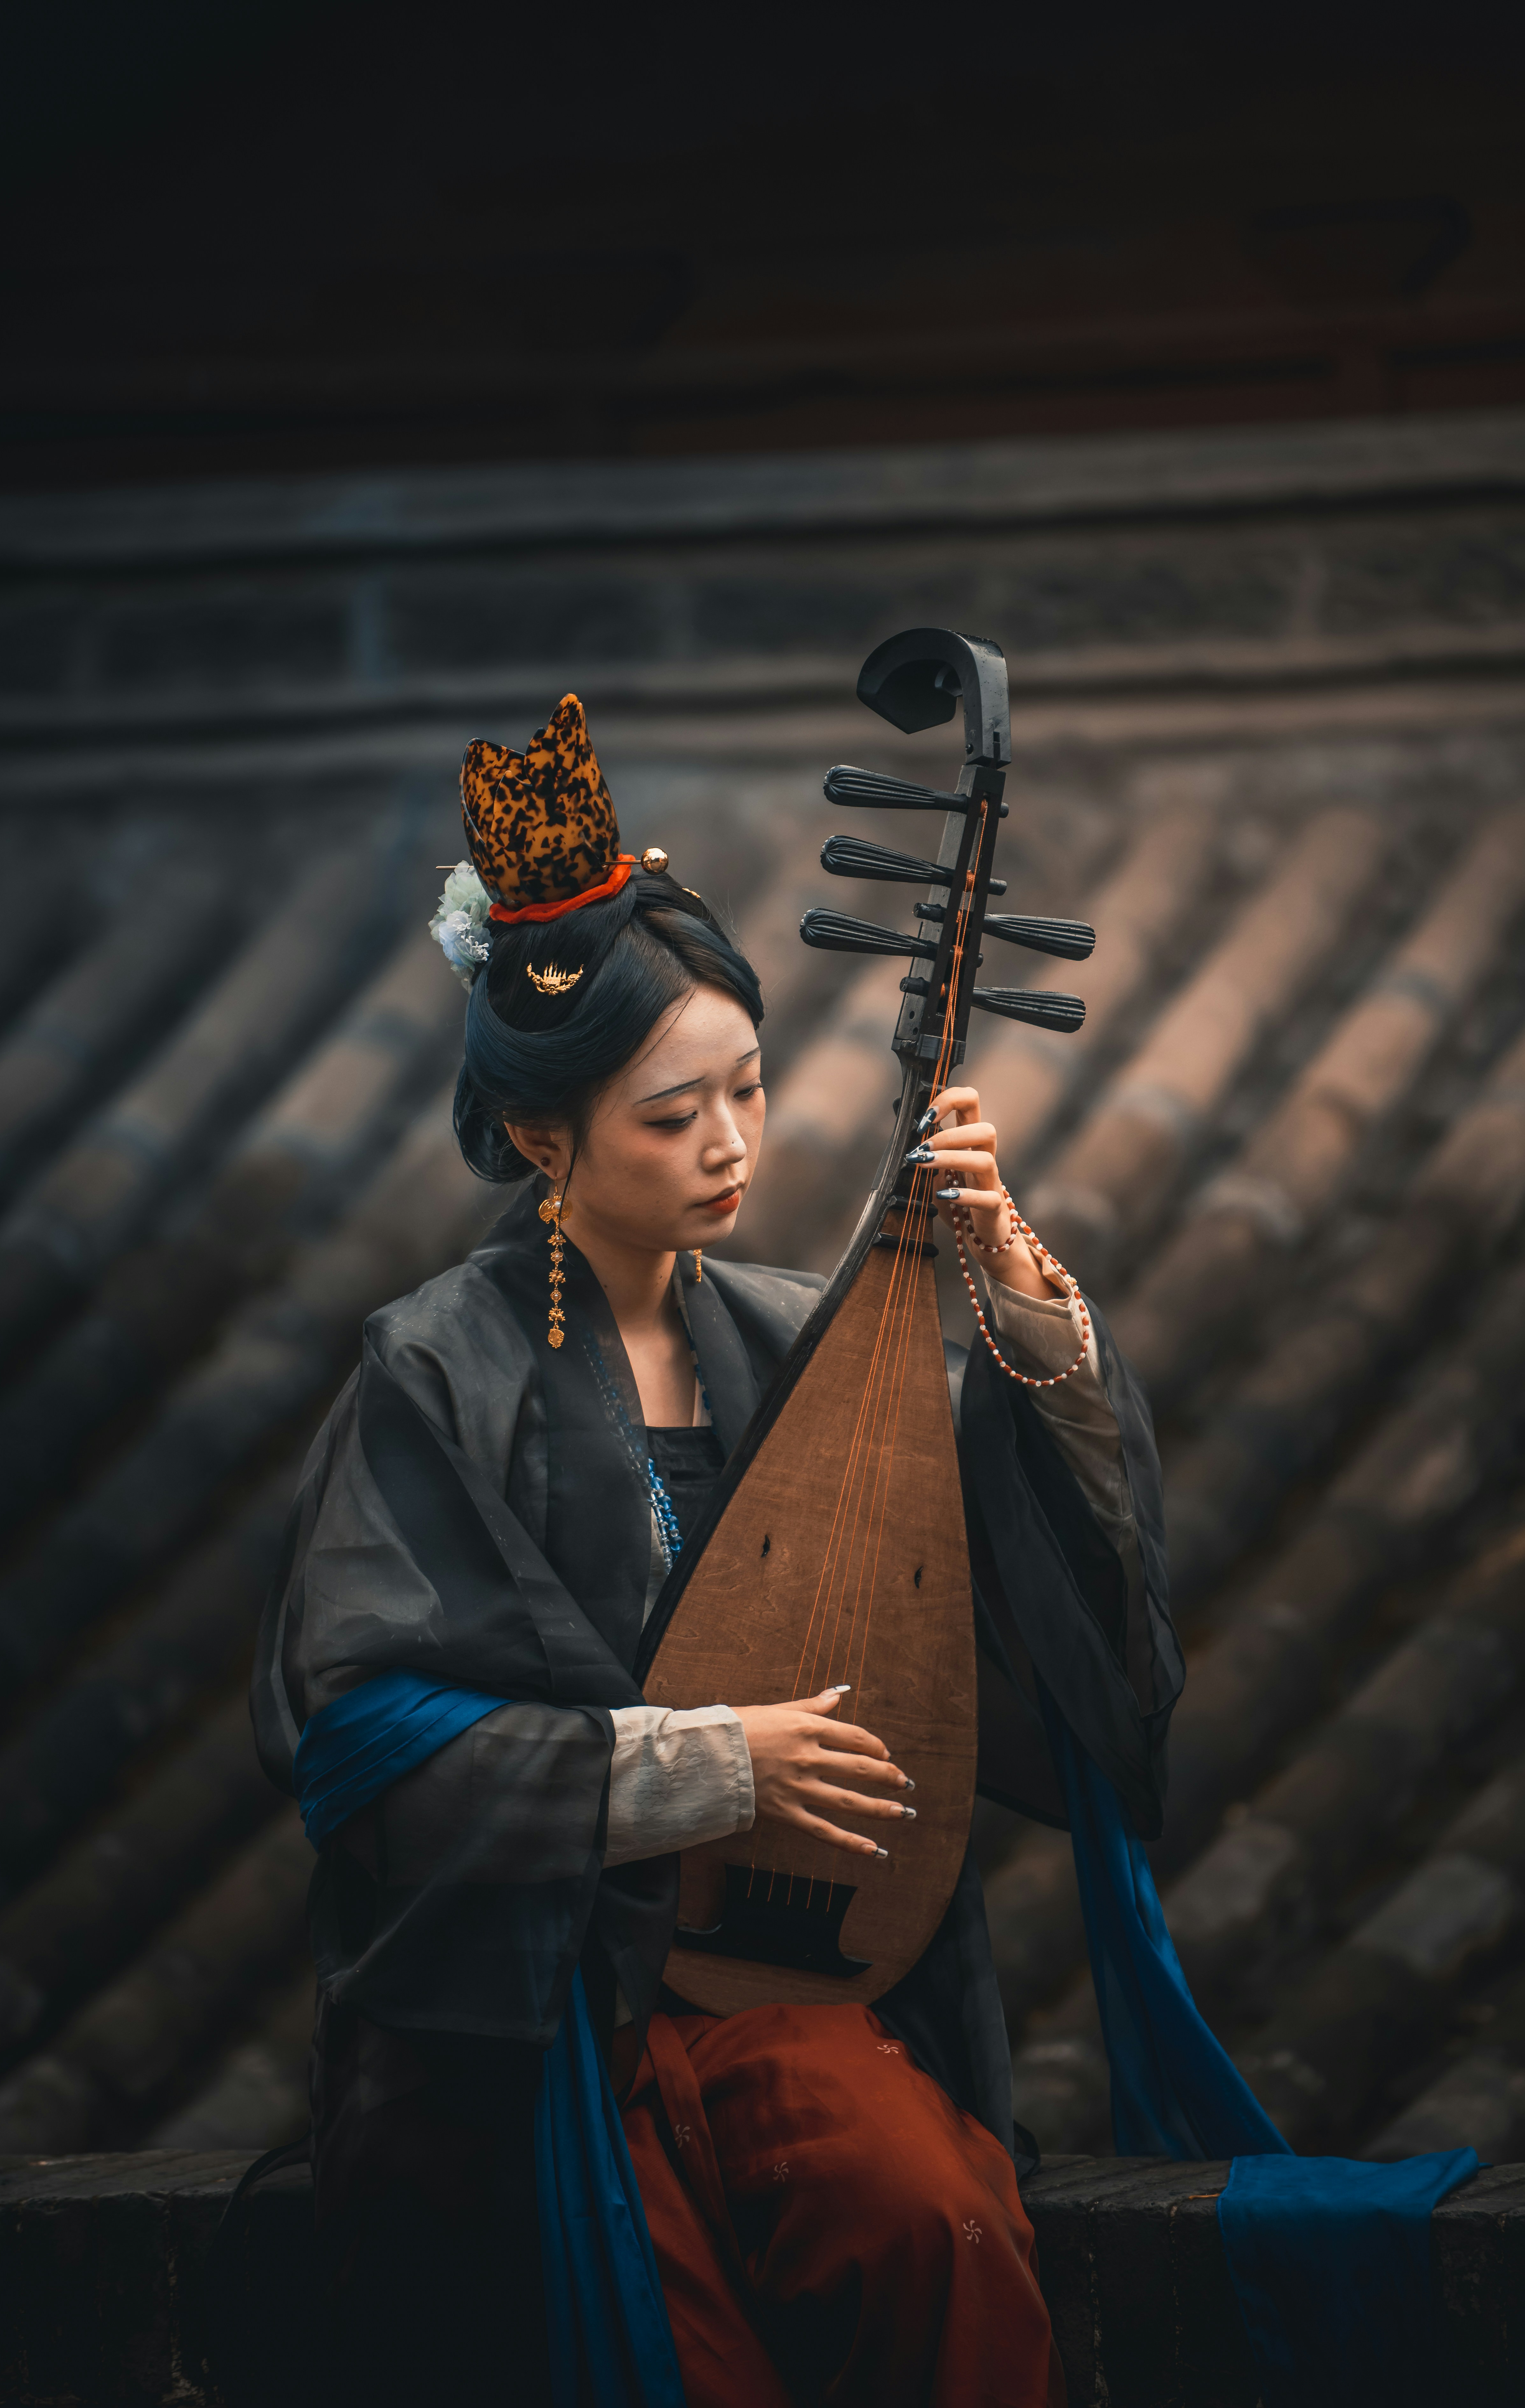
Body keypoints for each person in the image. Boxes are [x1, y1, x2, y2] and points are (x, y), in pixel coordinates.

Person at [251, 693, 1179, 2407]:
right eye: (676, 1114)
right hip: (538, 2027)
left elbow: (991, 1629)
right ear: (544, 1138)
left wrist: (1022, 1299)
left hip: (781, 1982)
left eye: (750, 1089)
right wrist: (697, 1765)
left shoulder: (790, 1345)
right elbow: (362, 1747)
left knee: (933, 2232)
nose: (737, 1146)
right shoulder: (434, 1376)